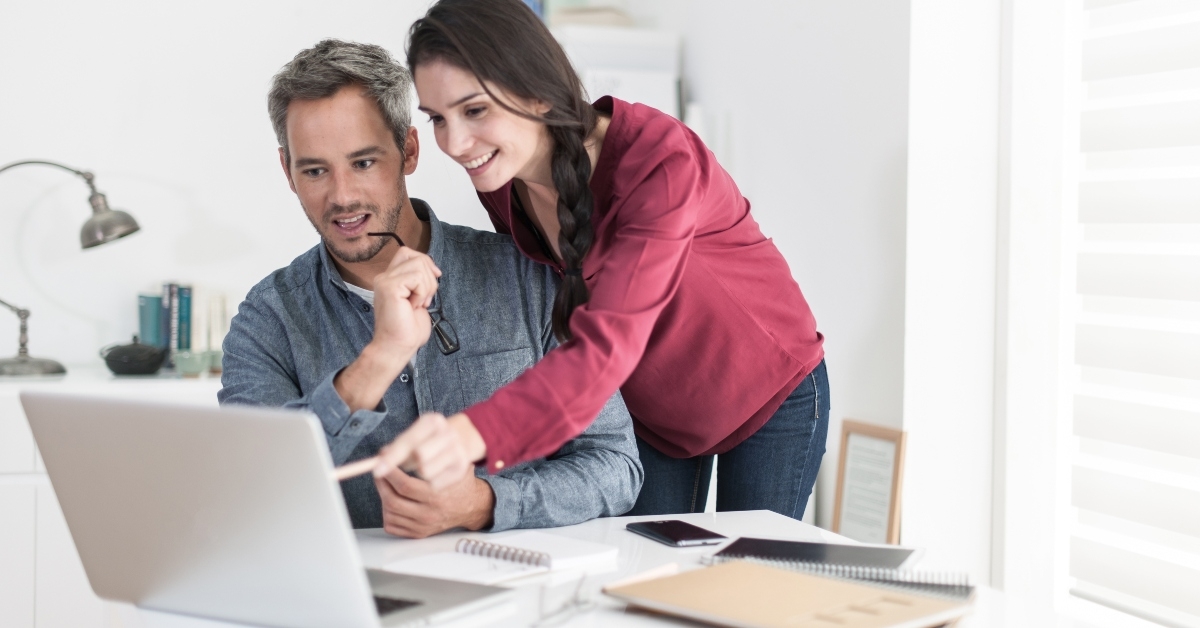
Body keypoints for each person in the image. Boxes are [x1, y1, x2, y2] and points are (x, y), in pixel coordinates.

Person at [373, 0, 828, 521]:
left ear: (537, 91)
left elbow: (603, 343)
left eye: (474, 110)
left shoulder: (660, 161)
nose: (454, 143)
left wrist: (468, 435)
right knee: (644, 579)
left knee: (750, 589)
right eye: (437, 118)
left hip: (764, 388)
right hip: (653, 410)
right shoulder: (503, 179)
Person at [218, 39, 642, 538]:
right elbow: (255, 490)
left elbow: (615, 465)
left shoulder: (525, 274)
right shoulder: (266, 320)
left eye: (364, 162)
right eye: (315, 170)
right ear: (288, 172)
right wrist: (380, 356)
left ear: (409, 151)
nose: (342, 196)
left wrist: (484, 503)